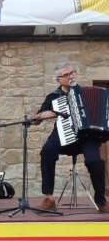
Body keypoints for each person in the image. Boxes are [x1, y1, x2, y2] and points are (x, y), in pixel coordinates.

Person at [32, 62, 109, 213]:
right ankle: (49, 198)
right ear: (58, 80)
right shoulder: (53, 97)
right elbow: (35, 121)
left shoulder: (85, 91)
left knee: (95, 161)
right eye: (66, 75)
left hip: (88, 136)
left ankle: (101, 200)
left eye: (72, 73)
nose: (71, 76)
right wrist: (42, 115)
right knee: (47, 151)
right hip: (62, 133)